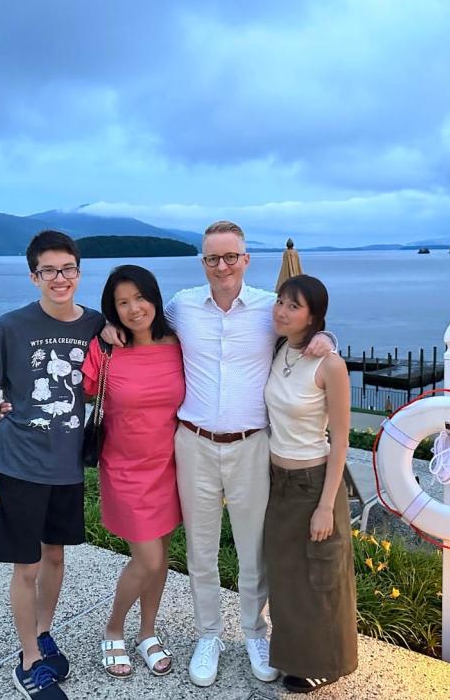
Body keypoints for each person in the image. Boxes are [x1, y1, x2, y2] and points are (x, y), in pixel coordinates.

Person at [102, 220, 335, 688]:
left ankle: (254, 632)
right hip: (193, 444)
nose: (222, 265)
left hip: (252, 444)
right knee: (200, 549)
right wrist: (106, 325)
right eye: (213, 258)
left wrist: (327, 339)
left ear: (246, 260)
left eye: (231, 256)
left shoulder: (270, 309)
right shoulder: (183, 306)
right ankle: (208, 633)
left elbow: (306, 328)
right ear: (203, 262)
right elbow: (140, 319)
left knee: (252, 548)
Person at [0, 230, 103, 700]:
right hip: (18, 463)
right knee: (25, 565)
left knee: (55, 555)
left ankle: (43, 632)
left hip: (68, 467)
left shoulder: (95, 324)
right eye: (48, 270)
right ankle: (28, 659)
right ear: (34, 277)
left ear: (78, 272)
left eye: (67, 269)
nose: (59, 278)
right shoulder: (10, 326)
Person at [80, 265, 185, 679]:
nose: (134, 308)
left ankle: (147, 632)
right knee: (148, 557)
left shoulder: (177, 343)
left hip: (171, 466)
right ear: (112, 309)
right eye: (122, 303)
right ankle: (113, 629)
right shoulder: (104, 351)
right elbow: (74, 392)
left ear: (155, 298)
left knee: (161, 561)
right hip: (124, 467)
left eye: (140, 298)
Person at [263, 274, 358, 693]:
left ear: (313, 316)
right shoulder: (280, 347)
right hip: (277, 481)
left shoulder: (330, 365)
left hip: (313, 481)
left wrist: (326, 504)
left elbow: (341, 439)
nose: (282, 311)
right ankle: (293, 657)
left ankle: (329, 661)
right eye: (280, 302)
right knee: (286, 577)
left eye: (293, 306)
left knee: (322, 577)